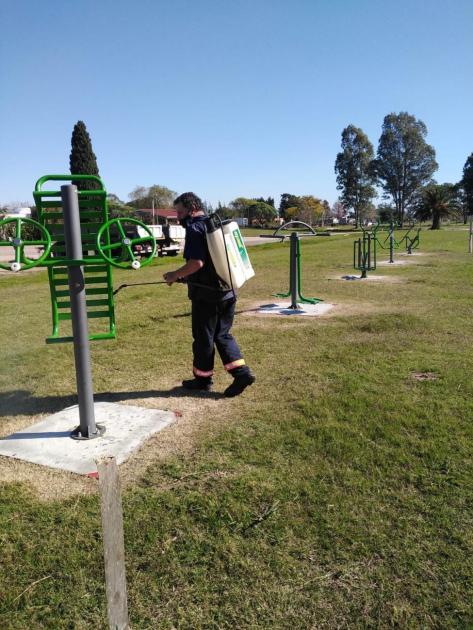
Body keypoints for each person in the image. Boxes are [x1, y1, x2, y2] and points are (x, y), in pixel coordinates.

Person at [163, 192, 255, 397]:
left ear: (192, 208)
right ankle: (217, 376)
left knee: (203, 338)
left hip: (207, 297)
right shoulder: (214, 225)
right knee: (222, 334)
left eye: (180, 212)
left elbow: (197, 263)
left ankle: (217, 378)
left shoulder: (196, 228)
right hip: (228, 290)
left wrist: (173, 275)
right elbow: (211, 265)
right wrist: (184, 278)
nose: (178, 217)